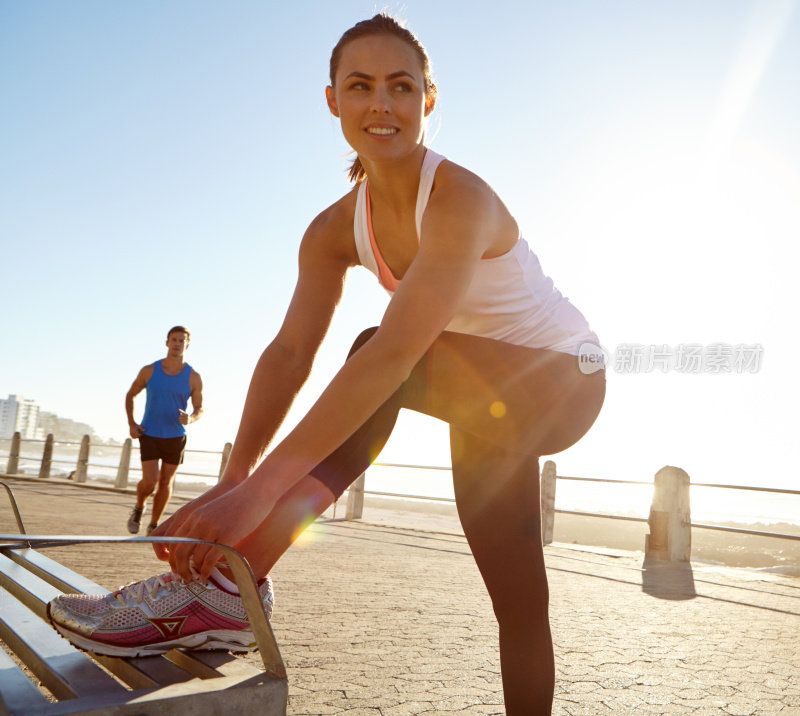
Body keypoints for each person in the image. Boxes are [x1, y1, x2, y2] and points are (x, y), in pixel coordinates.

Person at [49, 16, 604, 714]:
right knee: (519, 599)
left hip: (565, 381)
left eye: (401, 87)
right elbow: (288, 354)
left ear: (428, 100)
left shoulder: (461, 200)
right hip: (481, 399)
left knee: (376, 347)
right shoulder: (333, 229)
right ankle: (227, 590)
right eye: (360, 86)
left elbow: (397, 354)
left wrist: (259, 499)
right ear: (333, 100)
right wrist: (238, 475)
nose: (381, 103)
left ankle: (231, 587)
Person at [124, 325, 203, 535]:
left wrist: (191, 418)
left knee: (166, 482)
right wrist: (132, 423)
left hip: (176, 435)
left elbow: (199, 409)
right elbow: (130, 394)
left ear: (187, 344)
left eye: (181, 340)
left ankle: (153, 525)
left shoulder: (193, 376)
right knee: (150, 482)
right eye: (174, 340)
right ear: (167, 342)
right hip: (149, 432)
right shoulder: (149, 370)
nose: (177, 344)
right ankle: (139, 507)